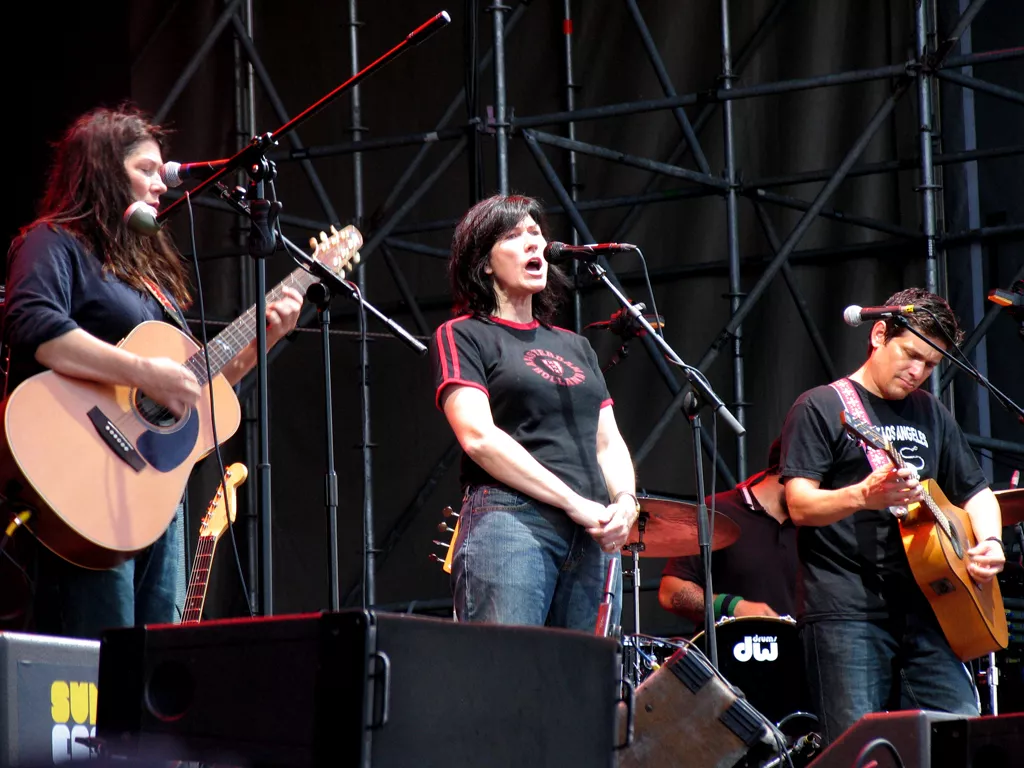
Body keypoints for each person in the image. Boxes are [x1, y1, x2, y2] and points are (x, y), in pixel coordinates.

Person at [1, 104, 303, 639]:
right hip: (82, 480)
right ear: (100, 171)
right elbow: (34, 326)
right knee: (96, 663)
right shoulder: (53, 241)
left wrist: (265, 337)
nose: (162, 184)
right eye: (146, 169)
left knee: (151, 662)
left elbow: (189, 393)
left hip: (152, 495)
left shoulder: (149, 280)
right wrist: (144, 371)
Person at [779, 287, 1005, 743]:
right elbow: (799, 504)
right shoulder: (823, 406)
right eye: (911, 355)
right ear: (879, 334)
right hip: (847, 613)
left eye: (931, 364)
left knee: (959, 739)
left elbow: (978, 493)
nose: (918, 371)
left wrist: (991, 543)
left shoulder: (931, 412)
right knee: (859, 751)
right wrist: (863, 496)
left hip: (932, 609)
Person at [430, 193, 638, 630]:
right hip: (511, 521)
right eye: (513, 235)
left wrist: (625, 501)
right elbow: (479, 438)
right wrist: (573, 502)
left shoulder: (574, 345)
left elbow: (608, 441)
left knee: (583, 685)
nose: (534, 244)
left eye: (536, 233)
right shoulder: (464, 335)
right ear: (484, 264)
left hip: (591, 530)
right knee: (509, 679)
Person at [659, 438, 797, 625]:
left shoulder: (822, 525)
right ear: (789, 469)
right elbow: (671, 592)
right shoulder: (718, 511)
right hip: (734, 649)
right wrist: (733, 607)